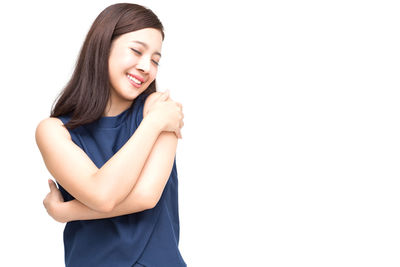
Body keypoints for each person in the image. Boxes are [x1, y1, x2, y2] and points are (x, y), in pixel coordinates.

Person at [35, 3, 186, 267]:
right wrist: (152, 126)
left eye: (155, 60)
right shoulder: (53, 131)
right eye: (137, 51)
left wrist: (64, 212)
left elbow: (146, 197)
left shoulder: (159, 109)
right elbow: (103, 194)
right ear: (103, 46)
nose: (146, 67)